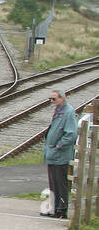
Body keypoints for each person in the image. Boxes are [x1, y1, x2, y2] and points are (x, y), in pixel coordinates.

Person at [43, 90, 78, 219]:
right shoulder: (59, 111)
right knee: (53, 183)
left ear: (62, 98)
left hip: (59, 155)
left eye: (54, 99)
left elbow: (71, 134)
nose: (51, 102)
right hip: (52, 154)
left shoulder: (68, 113)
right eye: (50, 99)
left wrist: (59, 146)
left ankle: (61, 209)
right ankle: (54, 208)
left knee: (60, 183)